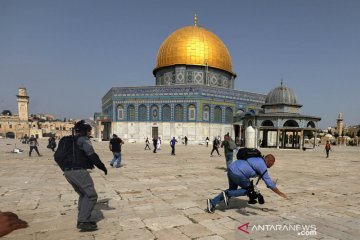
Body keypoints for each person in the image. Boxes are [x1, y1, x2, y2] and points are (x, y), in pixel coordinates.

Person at [63, 120, 108, 231]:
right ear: (85, 131)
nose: (90, 132)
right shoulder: (83, 140)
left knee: (83, 194)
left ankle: (83, 218)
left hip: (68, 171)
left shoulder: (71, 140)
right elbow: (92, 155)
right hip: (78, 171)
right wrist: (102, 166)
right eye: (89, 130)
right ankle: (83, 221)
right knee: (91, 195)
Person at [207, 154, 288, 213]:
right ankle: (227, 193)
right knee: (249, 190)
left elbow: (255, 169)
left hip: (231, 169)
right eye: (273, 163)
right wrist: (280, 193)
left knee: (232, 190)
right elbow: (269, 184)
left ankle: (212, 202)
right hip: (238, 173)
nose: (273, 164)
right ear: (269, 160)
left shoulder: (257, 158)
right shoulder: (262, 165)